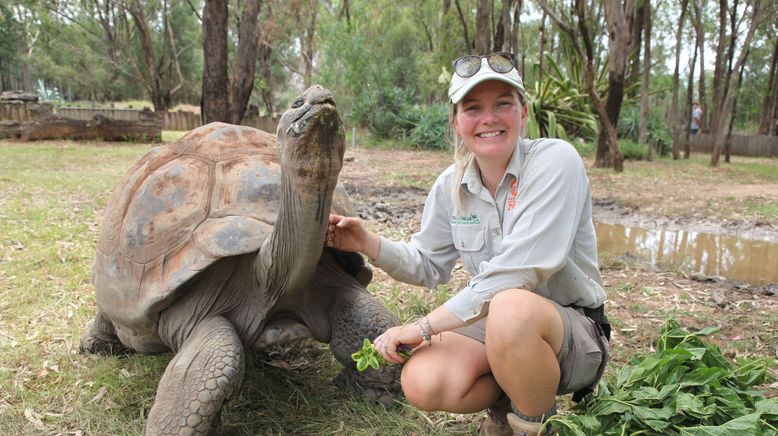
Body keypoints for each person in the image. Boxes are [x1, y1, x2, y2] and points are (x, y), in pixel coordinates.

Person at [326, 52, 610, 436]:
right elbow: (427, 264)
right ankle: (507, 401)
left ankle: (534, 424)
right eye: (473, 108)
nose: (489, 118)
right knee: (423, 380)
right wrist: (367, 242)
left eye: (503, 104)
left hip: (573, 334)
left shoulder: (555, 161)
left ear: (522, 114)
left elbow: (519, 273)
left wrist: (423, 327)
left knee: (509, 307)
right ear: (456, 122)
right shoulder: (450, 186)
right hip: (497, 327)